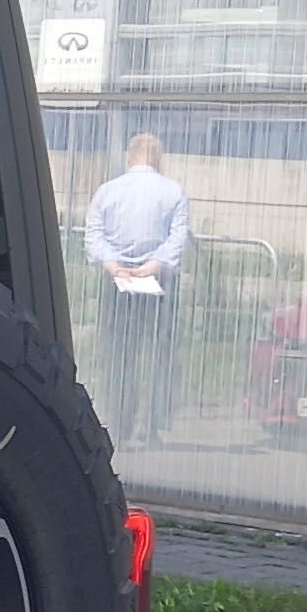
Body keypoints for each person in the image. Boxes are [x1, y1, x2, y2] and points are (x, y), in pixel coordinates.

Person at [85, 133, 191, 442]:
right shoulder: (173, 191)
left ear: (128, 156)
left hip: (117, 280)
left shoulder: (108, 191)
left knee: (119, 353)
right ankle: (153, 426)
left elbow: (94, 234)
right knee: (160, 355)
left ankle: (120, 422)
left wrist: (111, 263)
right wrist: (155, 264)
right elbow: (177, 237)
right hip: (158, 281)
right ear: (158, 158)